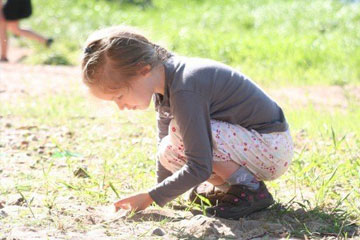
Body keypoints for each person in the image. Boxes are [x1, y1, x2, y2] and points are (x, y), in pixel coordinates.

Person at [81, 26, 294, 220]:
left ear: (142, 70)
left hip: (271, 147)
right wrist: (159, 191)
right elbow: (168, 148)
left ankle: (251, 189)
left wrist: (151, 197)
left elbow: (199, 165)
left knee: (179, 132)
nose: (121, 107)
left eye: (119, 96)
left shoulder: (185, 87)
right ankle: (231, 190)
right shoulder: (164, 85)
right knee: (168, 149)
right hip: (249, 147)